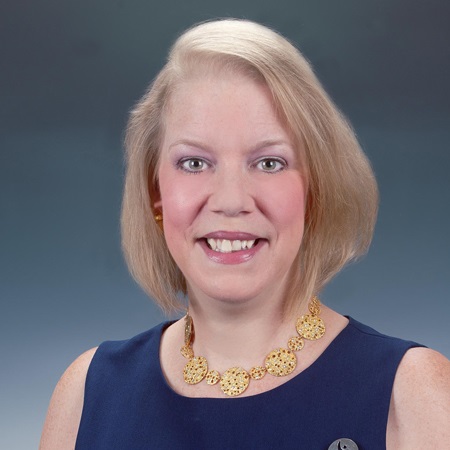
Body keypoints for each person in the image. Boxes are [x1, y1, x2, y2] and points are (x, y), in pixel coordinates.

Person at [40, 19, 450, 449]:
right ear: (154, 192)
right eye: (194, 163)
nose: (231, 200)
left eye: (269, 163)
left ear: (315, 190)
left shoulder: (413, 395)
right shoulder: (86, 394)